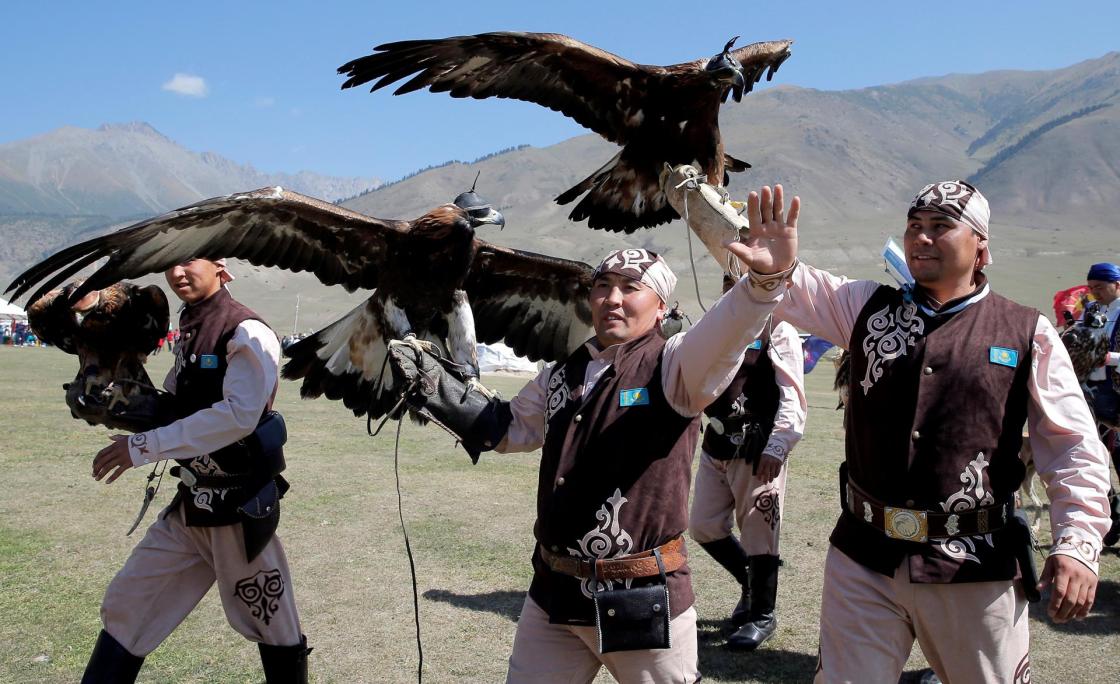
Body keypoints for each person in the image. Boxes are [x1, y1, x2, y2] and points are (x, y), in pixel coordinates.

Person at [733, 181, 1110, 683]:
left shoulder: (1027, 331)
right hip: (862, 556)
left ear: (982, 247)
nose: (921, 238)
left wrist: (1077, 544)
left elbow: (1072, 447)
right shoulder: (865, 307)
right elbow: (792, 286)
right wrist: (773, 265)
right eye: (914, 227)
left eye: (940, 227)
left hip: (974, 566)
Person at [389, 241, 795, 683]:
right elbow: (507, 428)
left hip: (643, 600)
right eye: (602, 286)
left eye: (630, 287)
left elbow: (723, 335)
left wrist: (761, 285)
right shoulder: (561, 374)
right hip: (554, 597)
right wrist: (439, 392)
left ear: (661, 307)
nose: (613, 299)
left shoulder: (676, 364)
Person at [81, 258, 310, 683]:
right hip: (189, 508)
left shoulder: (246, 330)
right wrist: (120, 402)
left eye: (189, 261)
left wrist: (143, 447)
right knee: (128, 603)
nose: (177, 273)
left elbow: (239, 415)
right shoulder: (190, 328)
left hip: (236, 513)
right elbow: (175, 402)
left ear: (220, 266)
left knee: (274, 624)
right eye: (170, 265)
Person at [688, 273, 806, 651]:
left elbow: (792, 392)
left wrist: (778, 445)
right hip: (717, 443)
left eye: (739, 280)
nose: (732, 288)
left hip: (757, 448)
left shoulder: (778, 328)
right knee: (703, 526)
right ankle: (750, 587)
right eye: (726, 280)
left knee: (758, 533)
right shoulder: (715, 323)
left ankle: (762, 615)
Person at [1083, 262, 1120, 546]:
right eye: (1091, 287)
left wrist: (1109, 359)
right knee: (1092, 458)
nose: (1094, 292)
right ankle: (1112, 519)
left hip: (1117, 393)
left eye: (1099, 287)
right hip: (1090, 391)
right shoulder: (1090, 311)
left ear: (1116, 285)